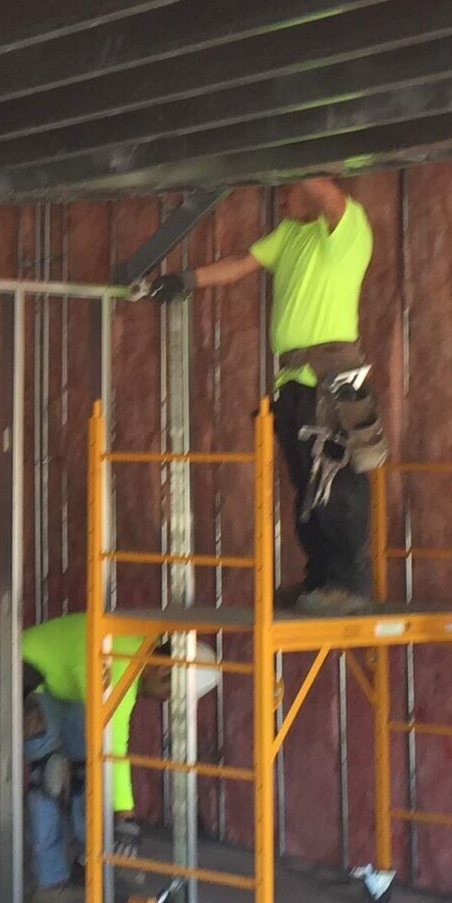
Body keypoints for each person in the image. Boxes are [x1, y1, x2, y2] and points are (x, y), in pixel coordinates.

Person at [145, 176, 378, 614]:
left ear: (312, 188)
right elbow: (240, 263)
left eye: (286, 188)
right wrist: (185, 281)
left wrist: (299, 163)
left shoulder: (347, 230)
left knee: (337, 482)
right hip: (293, 380)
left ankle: (349, 583)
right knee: (306, 484)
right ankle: (321, 579)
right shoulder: (291, 233)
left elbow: (328, 194)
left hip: (331, 376)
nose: (281, 197)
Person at [0, 613, 217, 903]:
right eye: (168, 694)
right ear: (162, 669)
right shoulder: (120, 665)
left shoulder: (141, 650)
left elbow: (105, 754)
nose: (162, 701)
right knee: (50, 774)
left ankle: (91, 862)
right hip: (20, 673)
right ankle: (49, 884)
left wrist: (122, 818)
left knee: (91, 770)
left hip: (61, 680)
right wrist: (126, 817)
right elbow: (113, 746)